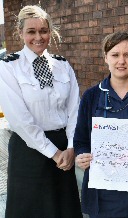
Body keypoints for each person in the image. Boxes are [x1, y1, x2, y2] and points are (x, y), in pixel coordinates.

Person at [0, 5, 82, 218]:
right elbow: (20, 120)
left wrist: (71, 147)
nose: (38, 37)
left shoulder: (63, 66)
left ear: (50, 31)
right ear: (20, 33)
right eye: (31, 31)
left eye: (43, 30)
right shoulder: (8, 67)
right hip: (29, 151)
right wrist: (54, 153)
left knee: (64, 210)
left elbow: (75, 110)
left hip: (65, 153)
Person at [74, 32, 128, 218]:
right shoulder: (91, 96)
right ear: (106, 57)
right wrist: (81, 155)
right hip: (104, 195)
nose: (121, 61)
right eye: (115, 55)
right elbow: (81, 139)